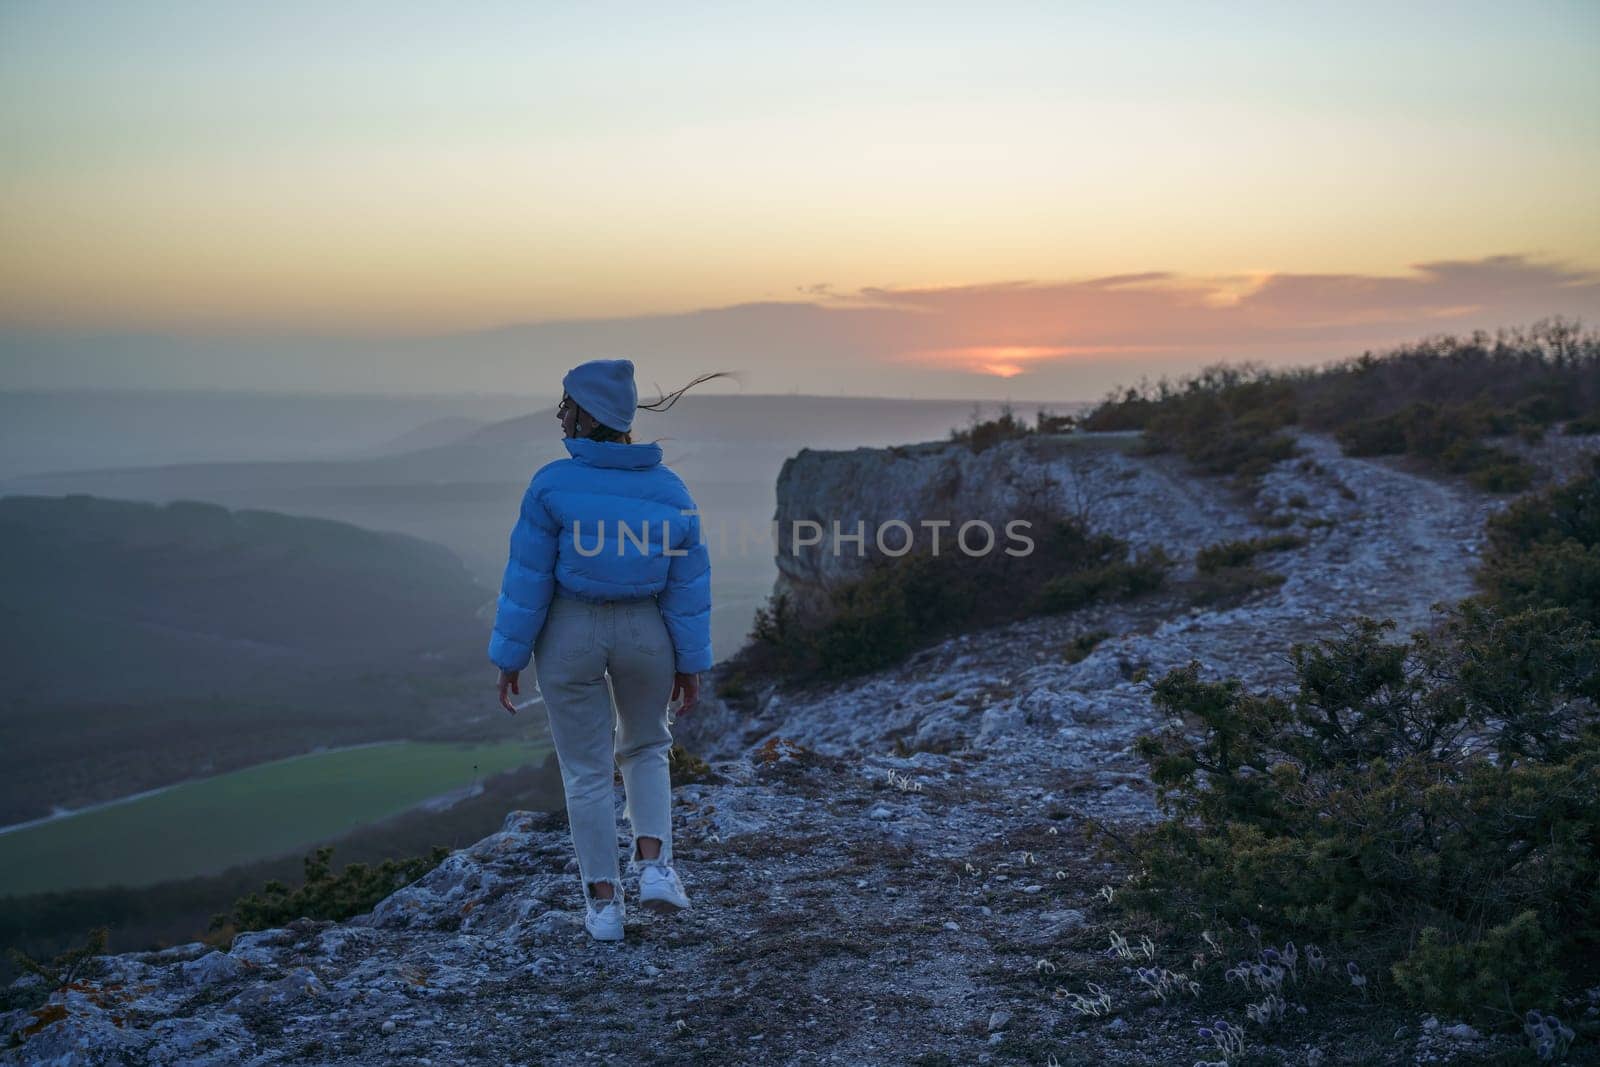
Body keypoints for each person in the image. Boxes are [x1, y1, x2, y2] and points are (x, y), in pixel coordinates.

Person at [488, 359, 725, 943]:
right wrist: (691, 663)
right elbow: (688, 588)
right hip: (647, 630)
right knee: (647, 748)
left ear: (589, 413)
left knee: (586, 772)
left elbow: (529, 578)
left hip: (570, 630)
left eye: (565, 406)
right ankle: (656, 871)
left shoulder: (550, 484)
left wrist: (510, 655)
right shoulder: (671, 491)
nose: (560, 416)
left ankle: (604, 907)